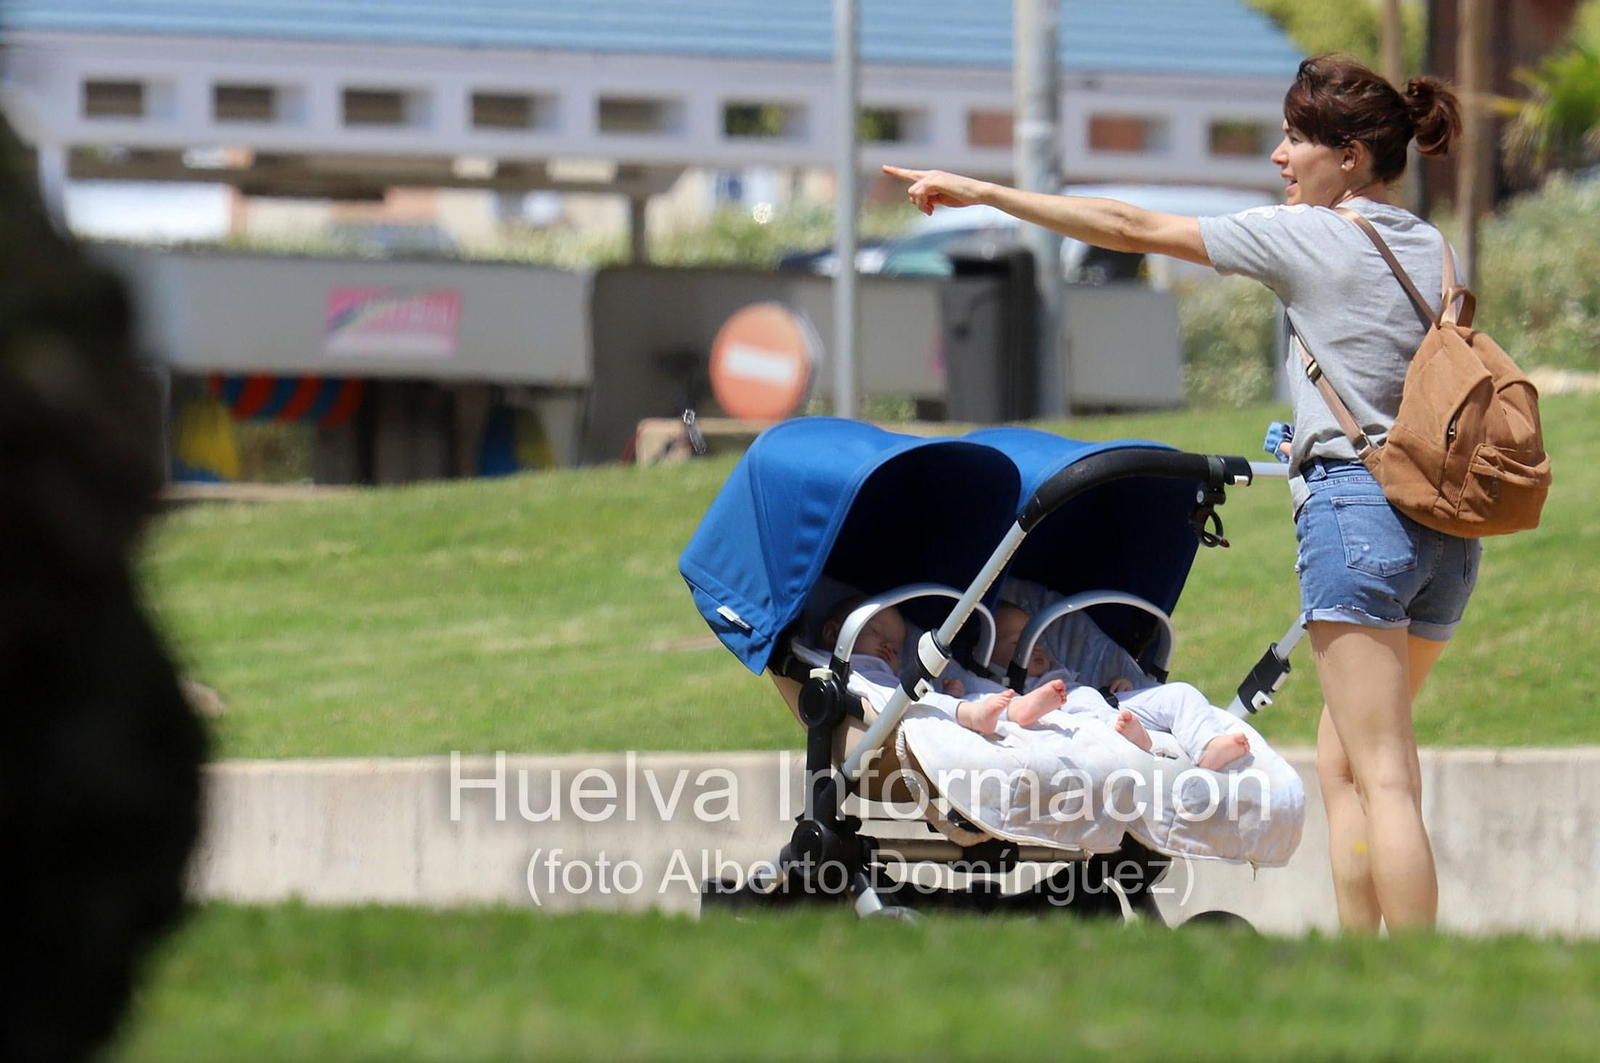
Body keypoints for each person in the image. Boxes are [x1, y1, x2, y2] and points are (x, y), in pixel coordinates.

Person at [885, 55, 1470, 933]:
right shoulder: (1431, 244)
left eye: (1296, 140)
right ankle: (1367, 969)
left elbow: (1127, 224)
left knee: (1381, 769)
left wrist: (988, 193)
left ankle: (1421, 978)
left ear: (1350, 157)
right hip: (1446, 535)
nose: (1279, 156)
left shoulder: (1309, 234)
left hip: (1358, 520)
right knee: (1347, 759)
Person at [951, 602, 1250, 771]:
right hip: (1071, 717)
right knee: (1086, 718)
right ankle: (1133, 739)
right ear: (988, 657)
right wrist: (1038, 702)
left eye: (1038, 640)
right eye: (1018, 643)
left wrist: (1115, 688)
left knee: (1182, 693)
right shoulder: (995, 685)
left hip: (1105, 703)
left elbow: (1090, 693)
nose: (1036, 647)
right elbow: (1000, 709)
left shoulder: (1061, 671)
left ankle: (1207, 745)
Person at [821, 602, 1069, 733]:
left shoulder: (888, 671)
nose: (888, 648)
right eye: (876, 633)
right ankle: (975, 716)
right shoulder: (830, 663)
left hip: (900, 697)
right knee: (927, 702)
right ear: (834, 634)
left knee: (939, 698)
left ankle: (1016, 709)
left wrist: (948, 695)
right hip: (879, 700)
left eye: (896, 649)